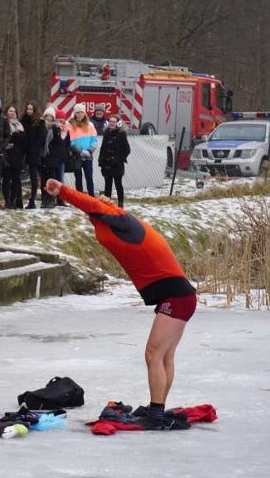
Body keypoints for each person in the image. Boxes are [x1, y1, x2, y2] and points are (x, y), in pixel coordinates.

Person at [43, 178, 197, 430]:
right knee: (165, 356)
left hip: (176, 296)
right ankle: (157, 407)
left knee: (153, 354)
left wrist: (63, 191)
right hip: (180, 295)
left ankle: (156, 413)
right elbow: (95, 211)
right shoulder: (121, 222)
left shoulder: (123, 221)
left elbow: (90, 205)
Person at [98, 115, 131, 207]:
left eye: (114, 122)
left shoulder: (122, 134)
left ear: (118, 123)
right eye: (110, 122)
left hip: (117, 165)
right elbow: (103, 148)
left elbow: (127, 150)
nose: (112, 123)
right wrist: (101, 161)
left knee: (118, 184)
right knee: (107, 185)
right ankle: (107, 203)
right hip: (107, 164)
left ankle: (120, 203)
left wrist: (118, 160)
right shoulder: (106, 133)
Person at [67, 103, 98, 196]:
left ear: (84, 113)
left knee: (89, 177)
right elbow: (70, 141)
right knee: (78, 177)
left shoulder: (90, 125)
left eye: (81, 112)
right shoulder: (71, 125)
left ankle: (91, 196)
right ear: (75, 114)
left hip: (88, 155)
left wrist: (89, 151)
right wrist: (80, 151)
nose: (79, 114)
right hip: (77, 155)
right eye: (77, 112)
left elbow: (94, 140)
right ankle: (79, 197)